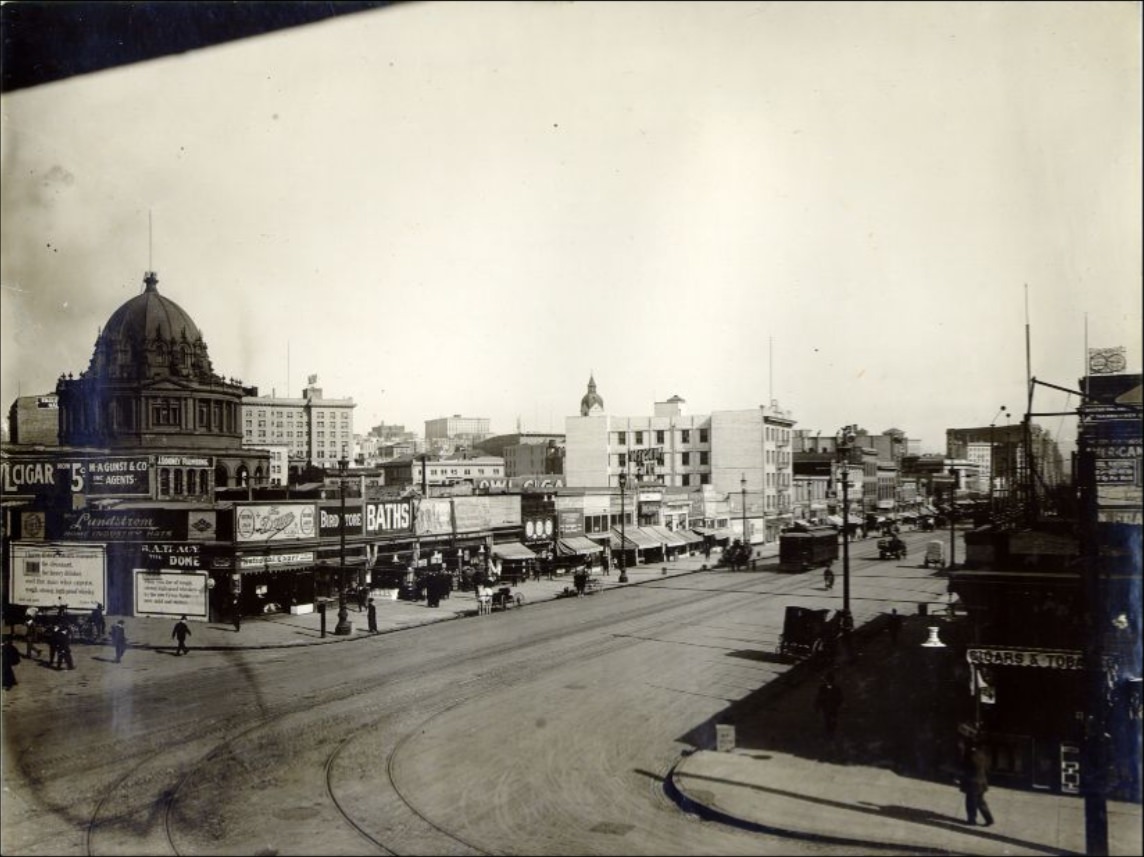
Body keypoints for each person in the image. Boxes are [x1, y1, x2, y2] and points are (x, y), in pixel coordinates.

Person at [958, 741, 995, 826]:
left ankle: (972, 820)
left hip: (972, 782)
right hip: (982, 782)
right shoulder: (983, 755)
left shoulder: (970, 756)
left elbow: (964, 766)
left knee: (970, 802)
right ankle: (989, 818)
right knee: (980, 801)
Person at [814, 671, 843, 738]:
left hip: (833, 707)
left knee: (833, 720)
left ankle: (831, 733)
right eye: (828, 679)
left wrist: (839, 703)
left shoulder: (836, 688)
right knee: (828, 721)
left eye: (830, 679)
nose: (829, 681)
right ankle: (829, 734)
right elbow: (819, 697)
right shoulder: (822, 688)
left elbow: (840, 697)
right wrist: (817, 706)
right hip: (826, 707)